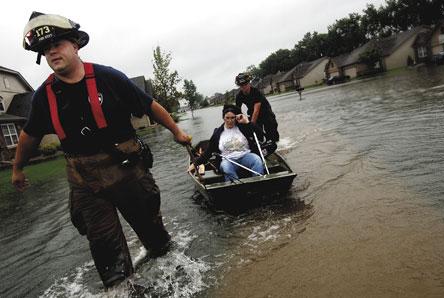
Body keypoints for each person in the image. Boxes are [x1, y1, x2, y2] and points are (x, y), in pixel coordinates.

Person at [12, 12, 191, 288]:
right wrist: (18, 168)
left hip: (128, 170)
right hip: (84, 182)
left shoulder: (109, 78)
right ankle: (122, 289)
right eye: (45, 50)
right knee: (107, 253)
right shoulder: (43, 96)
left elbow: (149, 106)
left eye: (57, 44)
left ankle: (177, 280)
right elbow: (28, 136)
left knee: (155, 238)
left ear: (76, 45)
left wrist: (177, 131)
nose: (51, 52)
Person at [189, 104, 264, 182]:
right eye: (227, 118)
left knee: (257, 160)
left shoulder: (243, 127)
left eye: (232, 118)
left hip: (245, 156)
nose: (230, 121)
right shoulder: (217, 133)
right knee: (226, 167)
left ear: (236, 117)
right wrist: (195, 164)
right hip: (228, 160)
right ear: (223, 118)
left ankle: (258, 182)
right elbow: (209, 152)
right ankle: (236, 187)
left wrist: (248, 122)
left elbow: (260, 135)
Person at [235, 73, 280, 144]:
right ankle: (260, 142)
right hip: (252, 112)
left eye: (245, 84)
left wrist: (251, 125)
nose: (244, 87)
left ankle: (275, 143)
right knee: (257, 134)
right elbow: (237, 112)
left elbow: (256, 110)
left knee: (271, 131)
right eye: (241, 85)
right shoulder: (239, 96)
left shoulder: (256, 92)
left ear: (249, 83)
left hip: (265, 112)